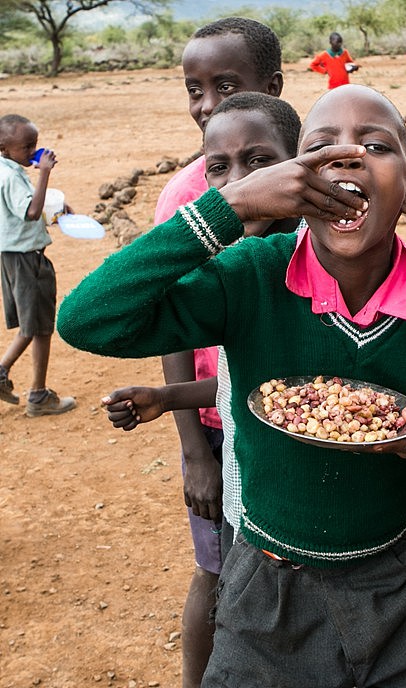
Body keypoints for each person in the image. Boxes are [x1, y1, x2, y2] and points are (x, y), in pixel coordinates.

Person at [58, 83, 406, 687]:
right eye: (320, 146)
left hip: (399, 577)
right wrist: (228, 208)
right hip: (268, 584)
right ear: (293, 180)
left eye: (376, 145)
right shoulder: (250, 275)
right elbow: (87, 319)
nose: (345, 157)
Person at [145, 18, 286, 688]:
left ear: (274, 88)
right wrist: (196, 453)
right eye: (193, 89)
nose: (206, 104)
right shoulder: (186, 193)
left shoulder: (298, 184)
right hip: (214, 419)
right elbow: (170, 326)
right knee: (218, 569)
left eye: (225, 85)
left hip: (293, 410)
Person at [0, 114, 75, 416]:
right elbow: (30, 212)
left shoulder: (7, 169)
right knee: (37, 327)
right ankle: (26, 387)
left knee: (37, 326)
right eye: (27, 147)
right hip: (27, 259)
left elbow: (24, 211)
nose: (34, 152)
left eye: (35, 144)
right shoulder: (10, 176)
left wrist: (55, 211)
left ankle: (33, 391)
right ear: (3, 146)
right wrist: (44, 173)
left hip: (14, 256)